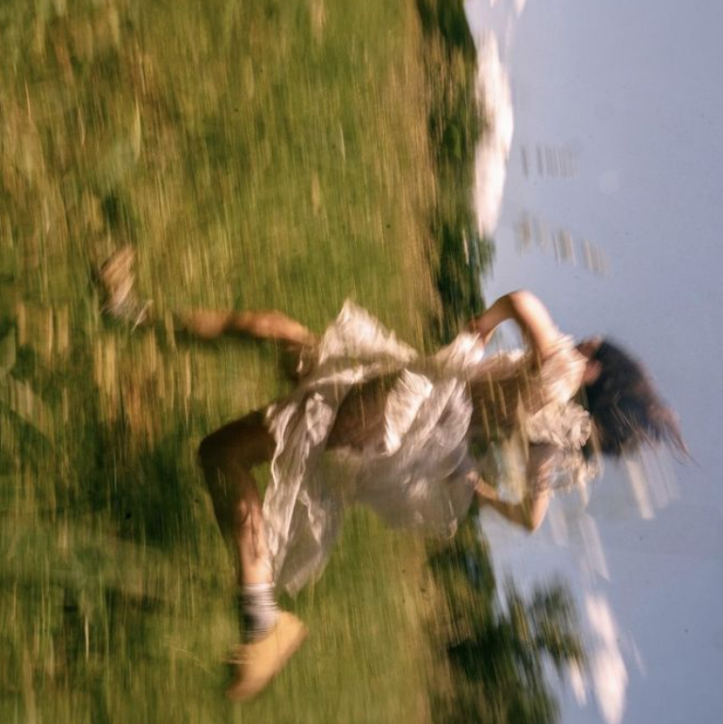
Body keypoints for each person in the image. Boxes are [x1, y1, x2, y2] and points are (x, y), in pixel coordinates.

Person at [97, 249, 685, 700]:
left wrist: (481, 324)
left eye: (595, 345)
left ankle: (263, 621)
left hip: (396, 405)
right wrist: (479, 491)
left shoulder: (563, 367)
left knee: (223, 454)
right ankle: (130, 313)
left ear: (599, 366)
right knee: (276, 330)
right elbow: (531, 519)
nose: (587, 339)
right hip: (405, 434)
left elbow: (524, 300)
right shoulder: (553, 447)